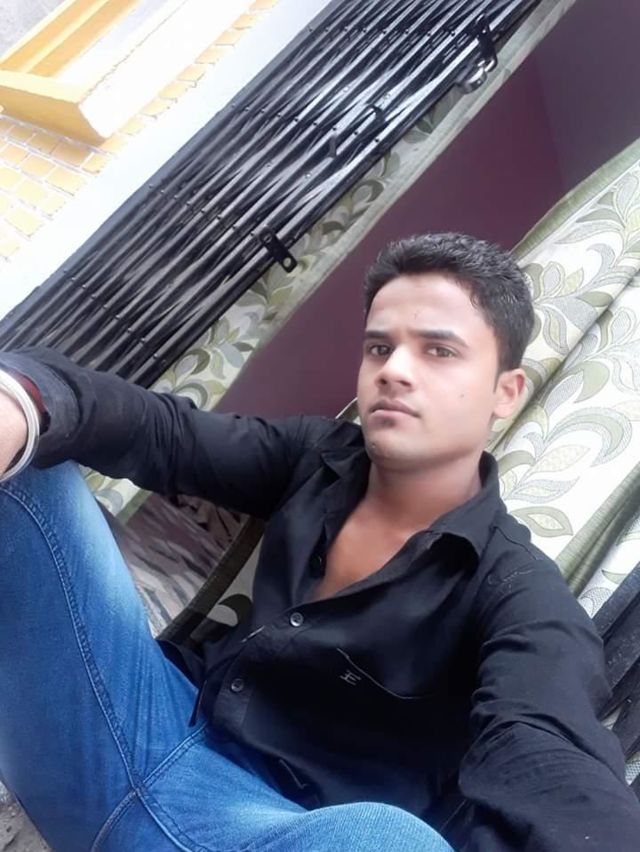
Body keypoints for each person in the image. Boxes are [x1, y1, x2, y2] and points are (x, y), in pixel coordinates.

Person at [0, 233, 638, 852]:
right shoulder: (317, 456)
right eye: (379, 347)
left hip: (263, 831)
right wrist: (22, 402)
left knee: (387, 843)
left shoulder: (518, 591)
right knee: (33, 450)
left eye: (439, 351)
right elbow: (163, 432)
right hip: (126, 727)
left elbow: (549, 752)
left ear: (507, 391)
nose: (395, 371)